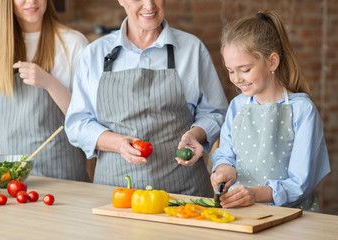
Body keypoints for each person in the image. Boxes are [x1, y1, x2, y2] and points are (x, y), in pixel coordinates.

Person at [65, 0, 228, 197]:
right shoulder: (95, 54)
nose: (149, 6)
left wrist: (196, 134)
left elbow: (215, 112)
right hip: (115, 195)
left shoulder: (192, 49)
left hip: (184, 195)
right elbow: (77, 124)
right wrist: (117, 143)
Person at [210, 10, 330, 211]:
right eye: (230, 71)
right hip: (241, 213)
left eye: (245, 69)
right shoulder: (237, 106)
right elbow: (226, 153)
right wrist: (224, 168)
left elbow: (300, 183)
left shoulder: (302, 110)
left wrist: (255, 194)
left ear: (272, 61)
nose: (236, 79)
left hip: (290, 217)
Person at [0, 0, 89, 182]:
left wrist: (50, 84)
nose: (31, 1)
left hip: (61, 175)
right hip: (9, 176)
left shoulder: (74, 43)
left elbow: (85, 118)